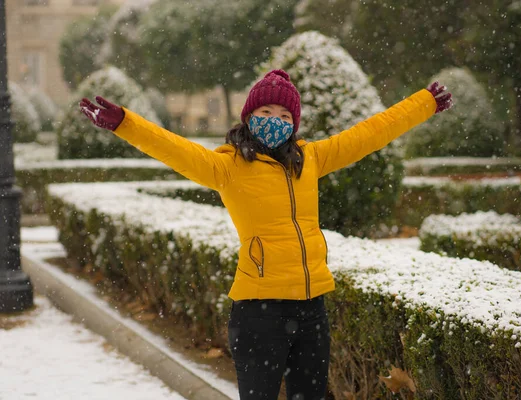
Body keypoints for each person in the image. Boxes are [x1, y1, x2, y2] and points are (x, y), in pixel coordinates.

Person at [79, 69, 452, 400]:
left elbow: (370, 133)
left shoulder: (311, 160)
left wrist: (423, 105)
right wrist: (125, 124)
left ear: (295, 123)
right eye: (266, 112)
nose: (276, 120)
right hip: (259, 313)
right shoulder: (226, 166)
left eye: (285, 115)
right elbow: (173, 148)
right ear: (249, 117)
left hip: (312, 307)